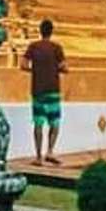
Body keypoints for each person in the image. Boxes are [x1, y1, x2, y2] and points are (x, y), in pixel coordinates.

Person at [23, 19, 67, 165]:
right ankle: (50, 151)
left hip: (38, 90)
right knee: (54, 123)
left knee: (38, 123)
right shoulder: (57, 48)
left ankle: (38, 157)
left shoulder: (33, 47)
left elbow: (23, 65)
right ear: (51, 31)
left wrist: (35, 70)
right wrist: (57, 70)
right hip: (53, 89)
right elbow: (64, 67)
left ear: (40, 31)